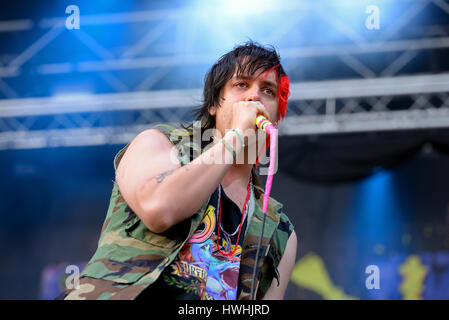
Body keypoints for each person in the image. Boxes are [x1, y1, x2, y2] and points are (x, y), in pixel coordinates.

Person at [57, 41, 297, 300]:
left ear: (275, 116)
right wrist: (236, 137)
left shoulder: (279, 230)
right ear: (215, 104)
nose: (254, 97)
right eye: (241, 85)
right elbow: (158, 209)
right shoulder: (160, 144)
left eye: (268, 91)